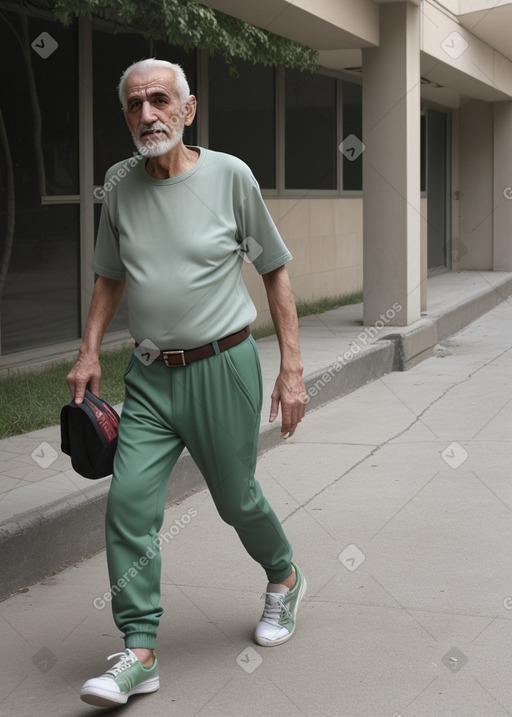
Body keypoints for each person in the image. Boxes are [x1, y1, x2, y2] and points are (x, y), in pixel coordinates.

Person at [67, 58, 307, 709]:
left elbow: (275, 271)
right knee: (129, 507)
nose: (148, 114)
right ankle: (140, 651)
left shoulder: (230, 177)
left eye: (160, 100)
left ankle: (284, 575)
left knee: (236, 499)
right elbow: (109, 274)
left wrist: (290, 367)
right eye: (135, 104)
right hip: (148, 377)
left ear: (188, 109)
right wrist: (89, 349)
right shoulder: (119, 182)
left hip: (223, 367)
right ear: (126, 115)